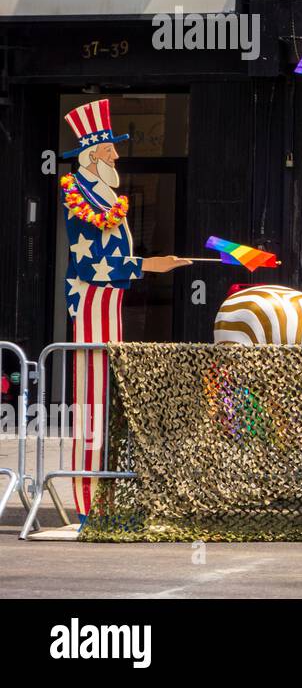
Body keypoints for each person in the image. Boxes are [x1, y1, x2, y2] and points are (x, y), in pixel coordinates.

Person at [59, 100, 189, 522]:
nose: (117, 155)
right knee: (92, 397)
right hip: (94, 300)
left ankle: (103, 498)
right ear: (94, 154)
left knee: (105, 396)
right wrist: (153, 265)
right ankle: (88, 500)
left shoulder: (102, 194)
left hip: (109, 301)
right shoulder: (79, 195)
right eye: (110, 149)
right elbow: (87, 265)